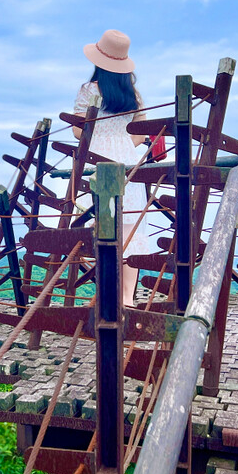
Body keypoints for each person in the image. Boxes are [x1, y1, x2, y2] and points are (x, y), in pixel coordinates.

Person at [72, 29, 149, 306]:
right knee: (129, 231)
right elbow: (140, 133)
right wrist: (122, 144)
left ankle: (105, 294)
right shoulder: (132, 93)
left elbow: (78, 131)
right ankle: (126, 298)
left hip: (96, 159)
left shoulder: (89, 90)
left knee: (96, 224)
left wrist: (103, 139)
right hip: (127, 161)